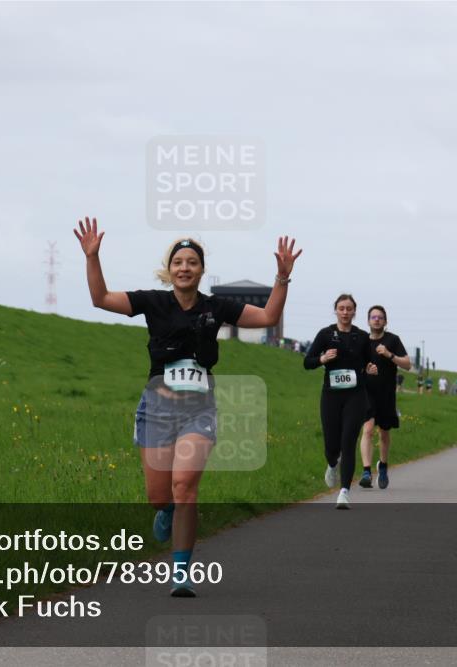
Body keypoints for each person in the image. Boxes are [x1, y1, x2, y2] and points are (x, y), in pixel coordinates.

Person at [74, 218, 302, 595]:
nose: (184, 268)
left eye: (192, 262)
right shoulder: (153, 302)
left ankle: (181, 571)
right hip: (157, 408)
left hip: (199, 410)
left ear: (201, 270)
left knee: (185, 488)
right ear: (170, 269)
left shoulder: (217, 307)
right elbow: (101, 299)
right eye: (178, 262)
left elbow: (267, 317)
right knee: (160, 497)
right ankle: (164, 512)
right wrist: (92, 258)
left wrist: (281, 279)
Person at [305, 294, 378, 509]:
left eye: (349, 309)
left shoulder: (362, 337)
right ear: (335, 310)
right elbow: (307, 362)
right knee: (331, 445)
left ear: (354, 312)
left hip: (356, 395)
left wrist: (371, 369)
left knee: (348, 442)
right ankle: (331, 463)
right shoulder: (326, 334)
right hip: (331, 395)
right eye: (341, 308)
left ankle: (344, 491)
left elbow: (369, 363)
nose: (345, 312)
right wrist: (322, 359)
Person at [358, 305, 411, 490]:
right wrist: (364, 370)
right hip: (367, 393)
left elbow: (407, 364)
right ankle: (366, 471)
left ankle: (383, 465)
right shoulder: (362, 341)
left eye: (380, 317)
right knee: (368, 430)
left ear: (385, 321)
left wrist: (389, 355)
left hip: (387, 394)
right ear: (368, 321)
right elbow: (355, 365)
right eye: (373, 317)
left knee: (384, 433)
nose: (377, 320)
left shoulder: (393, 340)